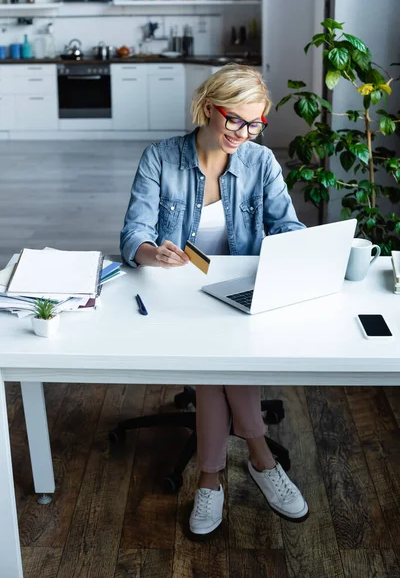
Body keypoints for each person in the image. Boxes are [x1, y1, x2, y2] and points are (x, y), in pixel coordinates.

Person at [120, 63, 309, 536]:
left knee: (214, 364)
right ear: (209, 108)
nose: (243, 133)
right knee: (217, 361)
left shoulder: (261, 162)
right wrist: (150, 252)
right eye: (234, 120)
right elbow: (134, 232)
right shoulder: (160, 158)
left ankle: (210, 478)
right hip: (178, 292)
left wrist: (298, 251)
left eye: (254, 123)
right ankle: (260, 459)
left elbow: (288, 228)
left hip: (241, 290)